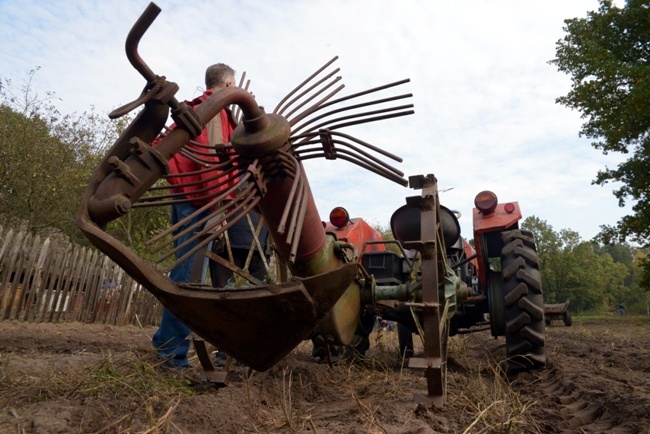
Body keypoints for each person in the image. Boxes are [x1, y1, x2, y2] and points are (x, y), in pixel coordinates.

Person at [152, 63, 266, 369]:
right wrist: (220, 207)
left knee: (186, 274)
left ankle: (167, 345)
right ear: (228, 83)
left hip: (184, 198)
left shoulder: (195, 108)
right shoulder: (215, 110)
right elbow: (212, 165)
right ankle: (169, 354)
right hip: (200, 202)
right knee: (189, 279)